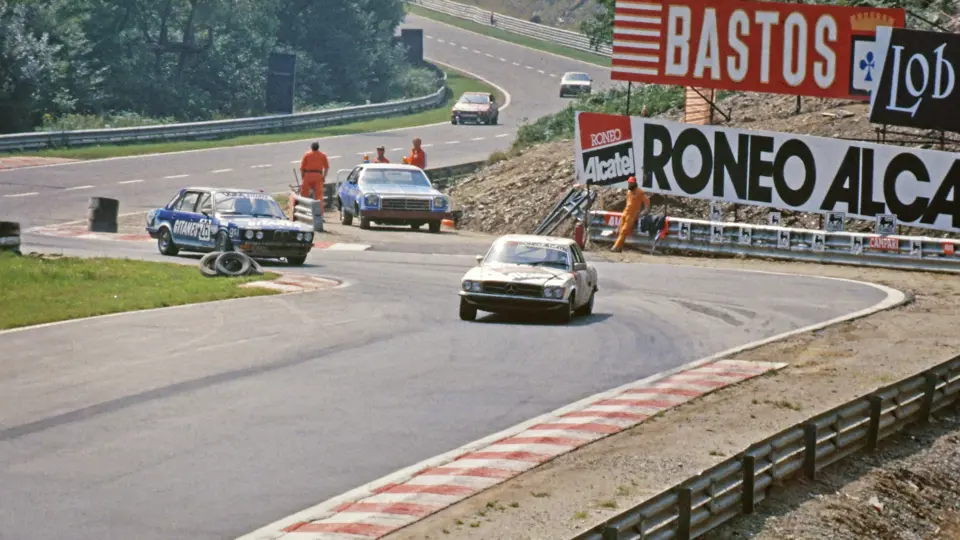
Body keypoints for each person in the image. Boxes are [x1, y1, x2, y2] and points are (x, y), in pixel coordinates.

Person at [611, 176, 650, 253]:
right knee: (621, 230)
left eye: (631, 183)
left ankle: (615, 247)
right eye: (629, 183)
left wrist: (644, 211)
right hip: (625, 212)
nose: (630, 184)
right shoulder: (629, 192)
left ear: (635, 183)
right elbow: (628, 203)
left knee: (624, 231)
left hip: (632, 215)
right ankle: (619, 248)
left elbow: (647, 202)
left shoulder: (640, 192)